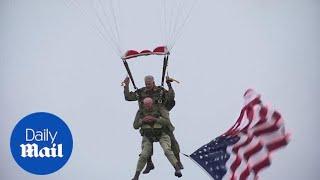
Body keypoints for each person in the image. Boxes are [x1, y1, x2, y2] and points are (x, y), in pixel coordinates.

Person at [123, 75, 183, 173]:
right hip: (146, 120)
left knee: (173, 143)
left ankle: (178, 161)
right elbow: (128, 97)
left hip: (160, 119)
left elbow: (171, 97)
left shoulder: (160, 91)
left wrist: (169, 85)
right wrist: (126, 85)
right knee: (146, 145)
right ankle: (149, 163)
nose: (147, 86)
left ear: (153, 82)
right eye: (146, 84)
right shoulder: (141, 92)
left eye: (149, 84)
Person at [131, 97, 182, 180]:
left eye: (149, 105)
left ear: (152, 104)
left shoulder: (160, 109)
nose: (147, 107)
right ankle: (136, 176)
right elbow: (135, 126)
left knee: (167, 150)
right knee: (144, 154)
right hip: (148, 135)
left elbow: (167, 122)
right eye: (145, 105)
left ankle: (177, 168)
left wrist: (155, 119)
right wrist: (143, 121)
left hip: (161, 133)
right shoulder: (140, 112)